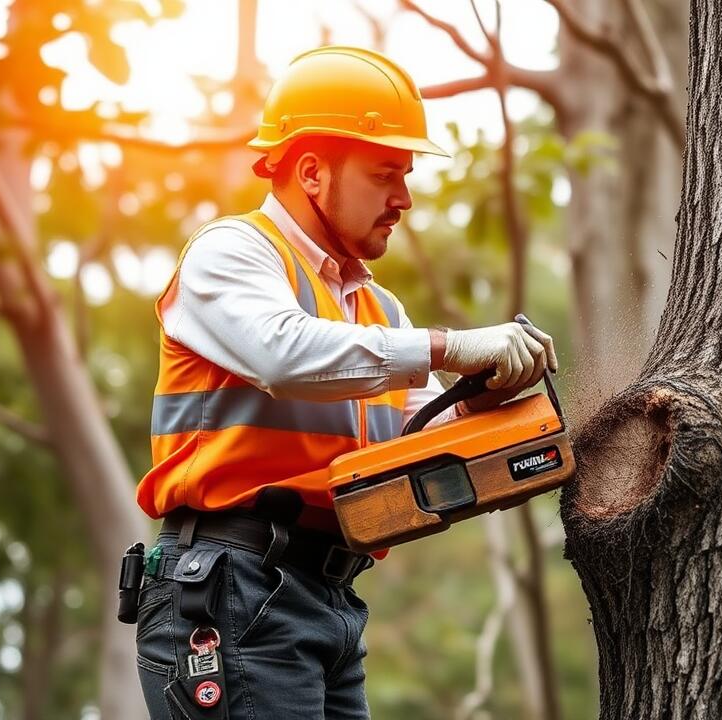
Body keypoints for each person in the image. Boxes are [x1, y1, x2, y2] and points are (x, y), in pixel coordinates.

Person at [130, 46, 557, 719]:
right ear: (311, 171)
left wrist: (481, 395)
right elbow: (283, 353)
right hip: (231, 585)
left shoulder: (376, 311)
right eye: (385, 174)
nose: (404, 199)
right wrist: (450, 345)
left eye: (406, 176)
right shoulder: (231, 253)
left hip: (326, 598)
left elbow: (415, 435)